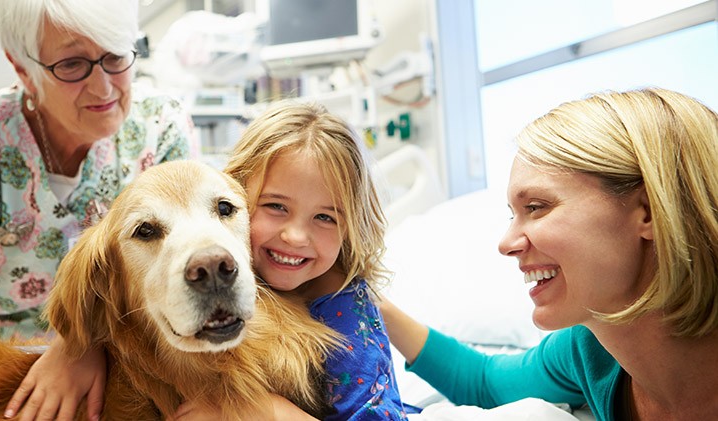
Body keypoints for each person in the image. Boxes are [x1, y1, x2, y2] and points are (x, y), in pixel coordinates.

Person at [0, 1, 195, 420]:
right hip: (3, 381)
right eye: (71, 64)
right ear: (21, 67)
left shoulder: (162, 129)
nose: (104, 88)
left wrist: (82, 344)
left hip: (129, 359)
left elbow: (180, 283)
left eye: (116, 56)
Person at [380, 87, 718, 421]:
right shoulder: (590, 352)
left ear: (648, 212)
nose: (506, 242)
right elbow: (484, 381)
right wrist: (373, 304)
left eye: (537, 207)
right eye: (513, 214)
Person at [174, 101, 407, 420]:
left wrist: (263, 409)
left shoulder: (343, 307)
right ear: (236, 198)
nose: (296, 236)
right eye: (276, 207)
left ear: (350, 227)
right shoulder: (221, 274)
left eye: (325, 217)